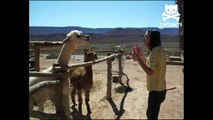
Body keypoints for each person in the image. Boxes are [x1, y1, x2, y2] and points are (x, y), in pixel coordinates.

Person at [132, 30, 167, 120]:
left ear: (153, 39)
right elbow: (149, 64)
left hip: (156, 92)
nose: (144, 38)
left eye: (146, 36)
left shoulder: (156, 51)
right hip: (159, 89)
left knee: (151, 116)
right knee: (150, 114)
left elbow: (150, 71)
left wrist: (138, 59)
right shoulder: (157, 50)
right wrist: (140, 55)